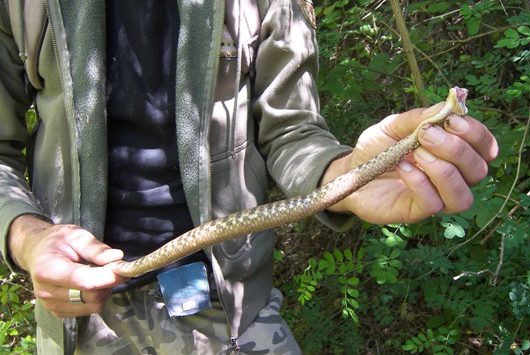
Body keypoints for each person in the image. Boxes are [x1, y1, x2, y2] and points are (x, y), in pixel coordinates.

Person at [0, 0, 498, 354]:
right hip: (82, 315)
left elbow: (290, 130)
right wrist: (30, 238)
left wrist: (344, 175)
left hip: (226, 301)